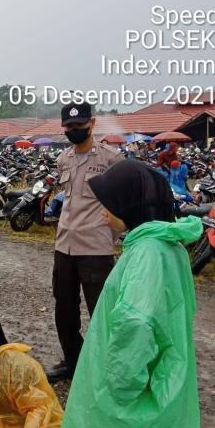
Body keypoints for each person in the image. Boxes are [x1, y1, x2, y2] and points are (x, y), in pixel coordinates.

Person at [52, 160, 203, 428]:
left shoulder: (147, 253)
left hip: (130, 403)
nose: (102, 210)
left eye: (110, 203)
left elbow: (137, 323)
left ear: (131, 206)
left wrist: (114, 391)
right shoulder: (165, 245)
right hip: (162, 380)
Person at [47, 102, 123, 383]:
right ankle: (73, 362)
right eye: (69, 127)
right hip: (64, 246)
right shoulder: (63, 159)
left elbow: (121, 205)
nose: (74, 131)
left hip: (95, 249)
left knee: (101, 313)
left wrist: (109, 235)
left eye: (79, 126)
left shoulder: (112, 160)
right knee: (64, 310)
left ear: (92, 123)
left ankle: (106, 370)